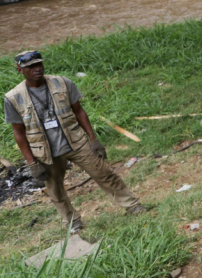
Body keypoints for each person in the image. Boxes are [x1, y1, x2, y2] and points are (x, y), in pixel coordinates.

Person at [4, 51, 145, 233]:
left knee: (104, 173)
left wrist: (93, 139)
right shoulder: (13, 97)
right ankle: (72, 222)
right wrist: (32, 163)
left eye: (39, 64)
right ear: (19, 69)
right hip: (45, 152)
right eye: (30, 67)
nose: (37, 69)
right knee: (55, 190)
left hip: (75, 141)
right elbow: (19, 132)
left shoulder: (61, 82)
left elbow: (79, 111)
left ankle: (132, 205)